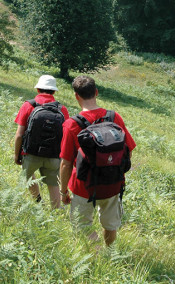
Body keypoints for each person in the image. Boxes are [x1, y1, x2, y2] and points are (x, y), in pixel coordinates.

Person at [59, 75, 136, 246]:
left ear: (76, 96)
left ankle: (95, 253)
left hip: (83, 186)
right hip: (113, 184)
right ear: (96, 92)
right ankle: (109, 254)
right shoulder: (114, 117)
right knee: (110, 225)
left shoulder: (71, 124)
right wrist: (111, 169)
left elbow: (65, 163)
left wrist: (63, 192)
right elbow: (128, 150)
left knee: (82, 225)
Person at [13, 75, 69, 209]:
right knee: (53, 184)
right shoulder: (62, 109)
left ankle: (38, 202)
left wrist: (17, 155)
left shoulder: (28, 105)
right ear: (54, 91)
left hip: (30, 154)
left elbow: (19, 134)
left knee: (28, 177)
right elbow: (66, 135)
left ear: (38, 89)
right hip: (53, 156)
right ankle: (56, 212)